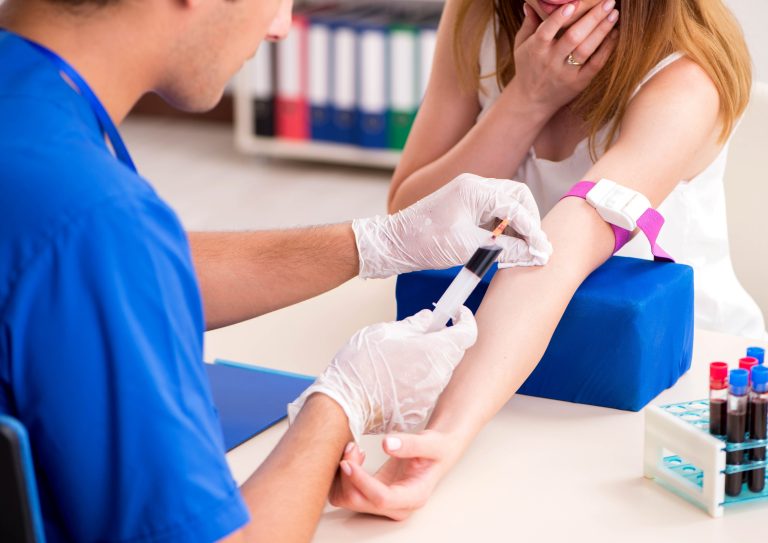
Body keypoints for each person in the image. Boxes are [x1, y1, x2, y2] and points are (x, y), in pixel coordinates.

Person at [0, 0, 553, 542]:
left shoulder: (30, 113)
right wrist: (343, 402)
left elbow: (122, 269)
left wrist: (376, 243)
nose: (281, 27)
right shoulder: (90, 217)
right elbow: (100, 252)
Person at [331, 0, 766, 520]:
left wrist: (443, 435)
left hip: (677, 372)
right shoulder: (477, 16)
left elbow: (560, 247)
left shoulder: (687, 74)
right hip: (511, 353)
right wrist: (526, 100)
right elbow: (410, 216)